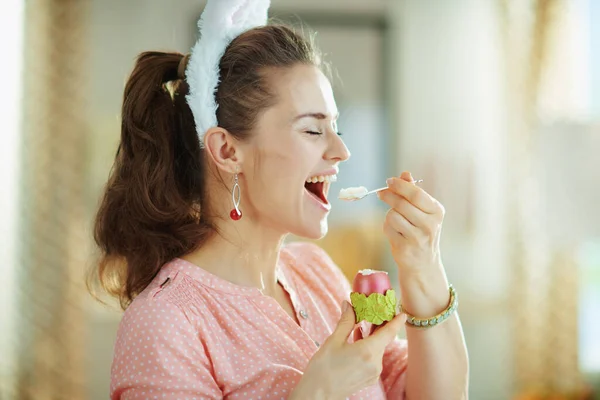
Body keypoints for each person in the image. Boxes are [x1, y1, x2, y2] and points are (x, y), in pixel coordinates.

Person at [92, 1, 469, 399]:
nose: (341, 150)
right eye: (312, 130)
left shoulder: (316, 273)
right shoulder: (166, 322)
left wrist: (423, 266)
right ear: (227, 151)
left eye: (335, 127)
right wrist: (319, 391)